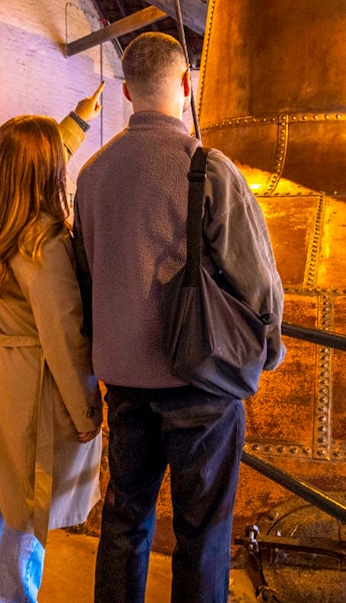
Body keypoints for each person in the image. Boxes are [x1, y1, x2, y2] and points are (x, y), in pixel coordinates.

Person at [73, 32, 285, 603]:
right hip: (199, 383)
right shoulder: (208, 169)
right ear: (187, 84)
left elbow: (85, 281)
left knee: (124, 521)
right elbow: (257, 280)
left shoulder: (91, 175)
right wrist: (268, 350)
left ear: (126, 92)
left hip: (123, 382)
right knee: (202, 532)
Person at [0, 87, 105, 603]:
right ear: (46, 173)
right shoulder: (43, 242)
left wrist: (78, 121)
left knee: (5, 486)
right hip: (37, 388)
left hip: (3, 373)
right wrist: (86, 411)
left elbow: (28, 163)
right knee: (31, 503)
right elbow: (63, 338)